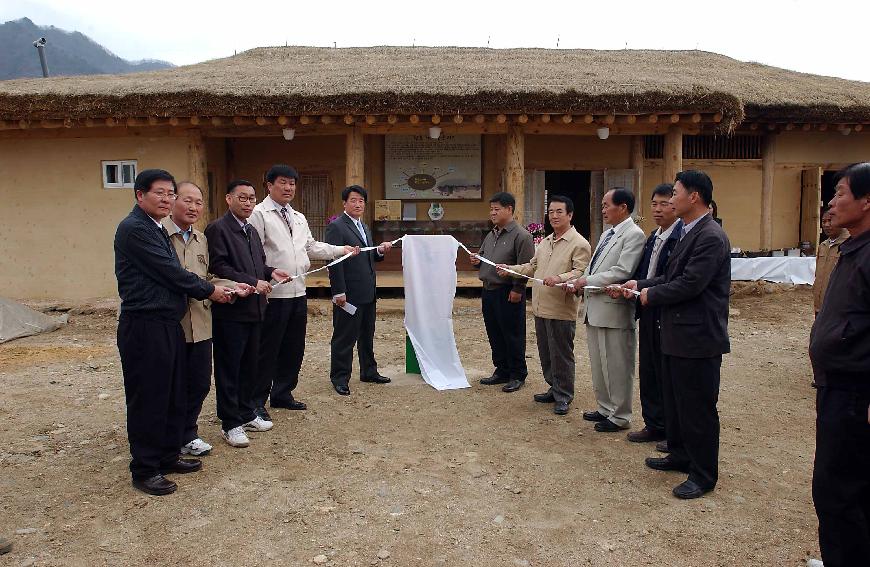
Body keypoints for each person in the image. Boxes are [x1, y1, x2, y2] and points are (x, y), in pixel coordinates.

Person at [114, 169, 233, 496]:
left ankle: (167, 455)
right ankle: (145, 469)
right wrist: (209, 290)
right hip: (145, 325)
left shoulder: (154, 228)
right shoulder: (135, 229)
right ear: (140, 195)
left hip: (168, 325)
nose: (167, 199)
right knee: (149, 397)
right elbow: (172, 274)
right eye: (160, 194)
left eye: (170, 193)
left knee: (171, 393)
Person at [623, 169, 730, 500]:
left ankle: (703, 473)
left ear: (694, 197)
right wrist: (639, 284)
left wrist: (649, 296)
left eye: (676, 193)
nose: (671, 200)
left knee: (697, 406)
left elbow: (690, 283)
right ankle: (681, 454)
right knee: (677, 400)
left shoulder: (710, 236)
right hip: (677, 333)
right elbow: (671, 274)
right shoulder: (688, 232)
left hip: (697, 337)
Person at [249, 165, 357, 413]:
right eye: (283, 182)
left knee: (293, 347)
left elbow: (311, 246)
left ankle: (283, 393)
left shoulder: (298, 216)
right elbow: (253, 253)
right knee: (268, 348)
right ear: (269, 185)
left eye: (292, 183)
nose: (288, 188)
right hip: (273, 294)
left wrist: (341, 250)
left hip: (298, 292)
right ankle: (256, 400)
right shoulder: (259, 214)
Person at [162, 181, 254, 456]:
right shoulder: (159, 236)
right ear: (173, 201)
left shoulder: (201, 239)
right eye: (186, 200)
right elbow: (177, 279)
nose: (193, 207)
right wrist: (212, 289)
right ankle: (169, 437)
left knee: (200, 382)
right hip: (172, 324)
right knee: (170, 385)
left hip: (201, 324)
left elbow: (207, 277)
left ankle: (188, 433)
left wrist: (232, 285)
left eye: (198, 202)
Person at [809, 162, 870, 567]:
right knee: (838, 485)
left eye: (841, 192)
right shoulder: (852, 247)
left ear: (867, 201)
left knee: (840, 489)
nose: (831, 202)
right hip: (837, 383)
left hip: (855, 390)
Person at [206, 180, 291, 448]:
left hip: (255, 310)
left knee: (249, 366)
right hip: (231, 311)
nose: (248, 202)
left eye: (252, 198)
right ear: (228, 199)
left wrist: (269, 273)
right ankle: (230, 423)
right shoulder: (218, 229)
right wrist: (253, 282)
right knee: (229, 368)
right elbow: (219, 266)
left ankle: (245, 413)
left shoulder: (251, 230)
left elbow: (256, 265)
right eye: (242, 197)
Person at [496, 195, 591, 415]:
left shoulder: (579, 243)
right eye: (551, 212)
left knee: (561, 353)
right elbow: (532, 267)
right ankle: (553, 387)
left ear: (570, 215)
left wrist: (559, 278)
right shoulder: (546, 242)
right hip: (541, 306)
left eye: (559, 212)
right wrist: (510, 269)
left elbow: (581, 272)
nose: (554, 216)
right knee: (546, 352)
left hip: (561, 308)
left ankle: (564, 395)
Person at [566, 188, 645, 433]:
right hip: (595, 306)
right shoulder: (607, 235)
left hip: (615, 308)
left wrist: (586, 282)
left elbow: (622, 271)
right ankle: (604, 407)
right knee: (599, 362)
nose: (603, 210)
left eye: (606, 205)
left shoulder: (634, 234)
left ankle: (620, 415)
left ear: (622, 207)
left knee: (618, 364)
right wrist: (580, 281)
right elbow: (593, 266)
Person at [623, 184, 681, 443]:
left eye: (664, 203)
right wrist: (630, 286)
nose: (658, 209)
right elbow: (643, 271)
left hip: (667, 312)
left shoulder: (681, 237)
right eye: (654, 204)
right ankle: (653, 423)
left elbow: (670, 278)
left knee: (665, 373)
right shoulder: (653, 236)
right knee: (648, 369)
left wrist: (641, 286)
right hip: (646, 308)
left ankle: (671, 429)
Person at [325, 185, 394, 395]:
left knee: (367, 334)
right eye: (353, 200)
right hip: (349, 293)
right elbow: (334, 261)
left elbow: (368, 255)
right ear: (344, 203)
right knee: (344, 337)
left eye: (361, 201)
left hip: (368, 291)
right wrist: (338, 291)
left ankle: (369, 371)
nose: (358, 204)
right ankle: (340, 377)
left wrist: (380, 251)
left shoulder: (364, 227)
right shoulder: (337, 227)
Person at [470, 192, 535, 393]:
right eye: (491, 209)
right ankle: (501, 369)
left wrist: (518, 289)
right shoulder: (491, 234)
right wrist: (476, 261)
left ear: (509, 209)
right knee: (494, 331)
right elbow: (484, 258)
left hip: (508, 291)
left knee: (512, 333)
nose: (493, 213)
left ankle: (517, 373)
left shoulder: (522, 236)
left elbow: (526, 266)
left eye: (497, 209)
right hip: (489, 290)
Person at [813, 209, 849, 315]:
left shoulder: (849, 245)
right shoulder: (823, 246)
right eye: (824, 221)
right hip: (820, 304)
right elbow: (818, 274)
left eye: (831, 221)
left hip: (838, 306)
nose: (827, 225)